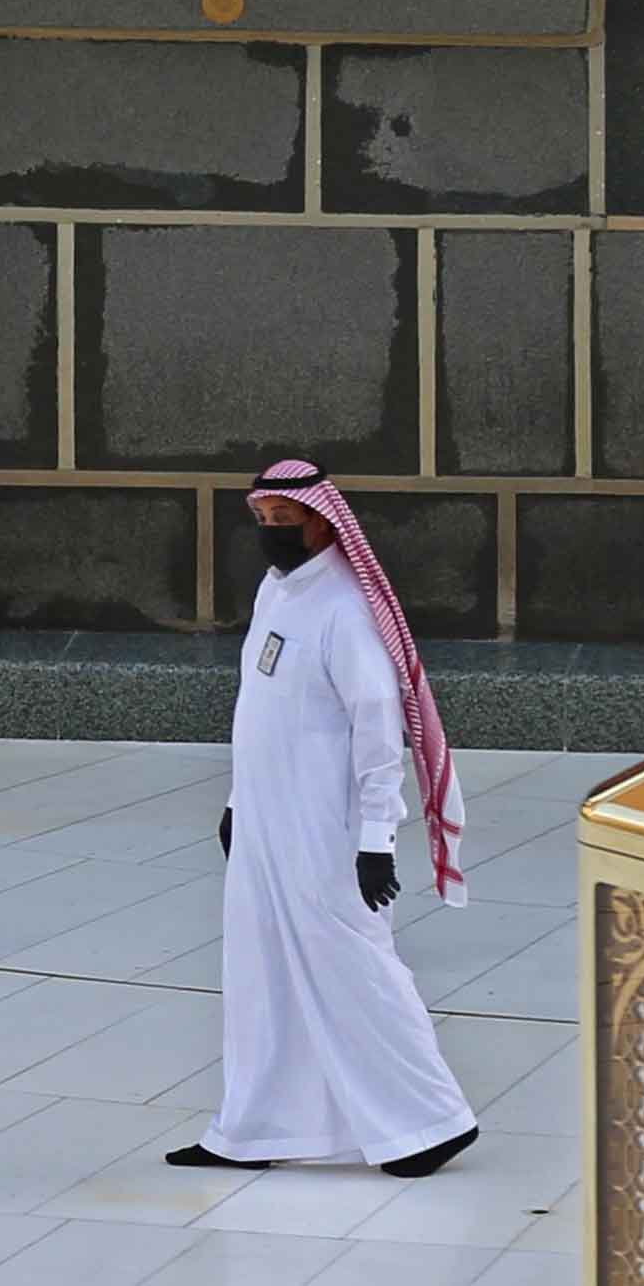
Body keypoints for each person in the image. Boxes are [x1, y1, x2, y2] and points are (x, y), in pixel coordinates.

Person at [171, 457, 480, 1179]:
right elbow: (264, 709)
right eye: (263, 521)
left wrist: (376, 840)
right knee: (260, 969)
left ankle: (433, 1121)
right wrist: (236, 805)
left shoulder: (345, 608)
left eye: (286, 520)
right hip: (265, 821)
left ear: (322, 520)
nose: (273, 533)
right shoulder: (277, 592)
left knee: (354, 963)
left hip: (327, 829)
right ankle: (252, 1130)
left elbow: (378, 732)